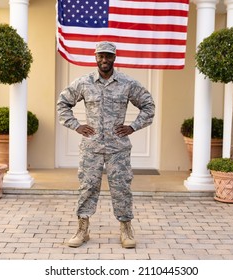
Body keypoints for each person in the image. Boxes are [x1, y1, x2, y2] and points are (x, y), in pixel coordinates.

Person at [57, 41, 155, 248]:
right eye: (101, 56)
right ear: (95, 57)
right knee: (87, 187)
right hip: (91, 148)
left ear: (114, 58)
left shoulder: (128, 83)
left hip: (117, 148)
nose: (104, 60)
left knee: (121, 188)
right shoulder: (84, 83)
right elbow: (63, 103)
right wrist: (76, 126)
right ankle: (82, 229)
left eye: (108, 56)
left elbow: (148, 106)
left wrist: (133, 126)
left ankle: (126, 229)